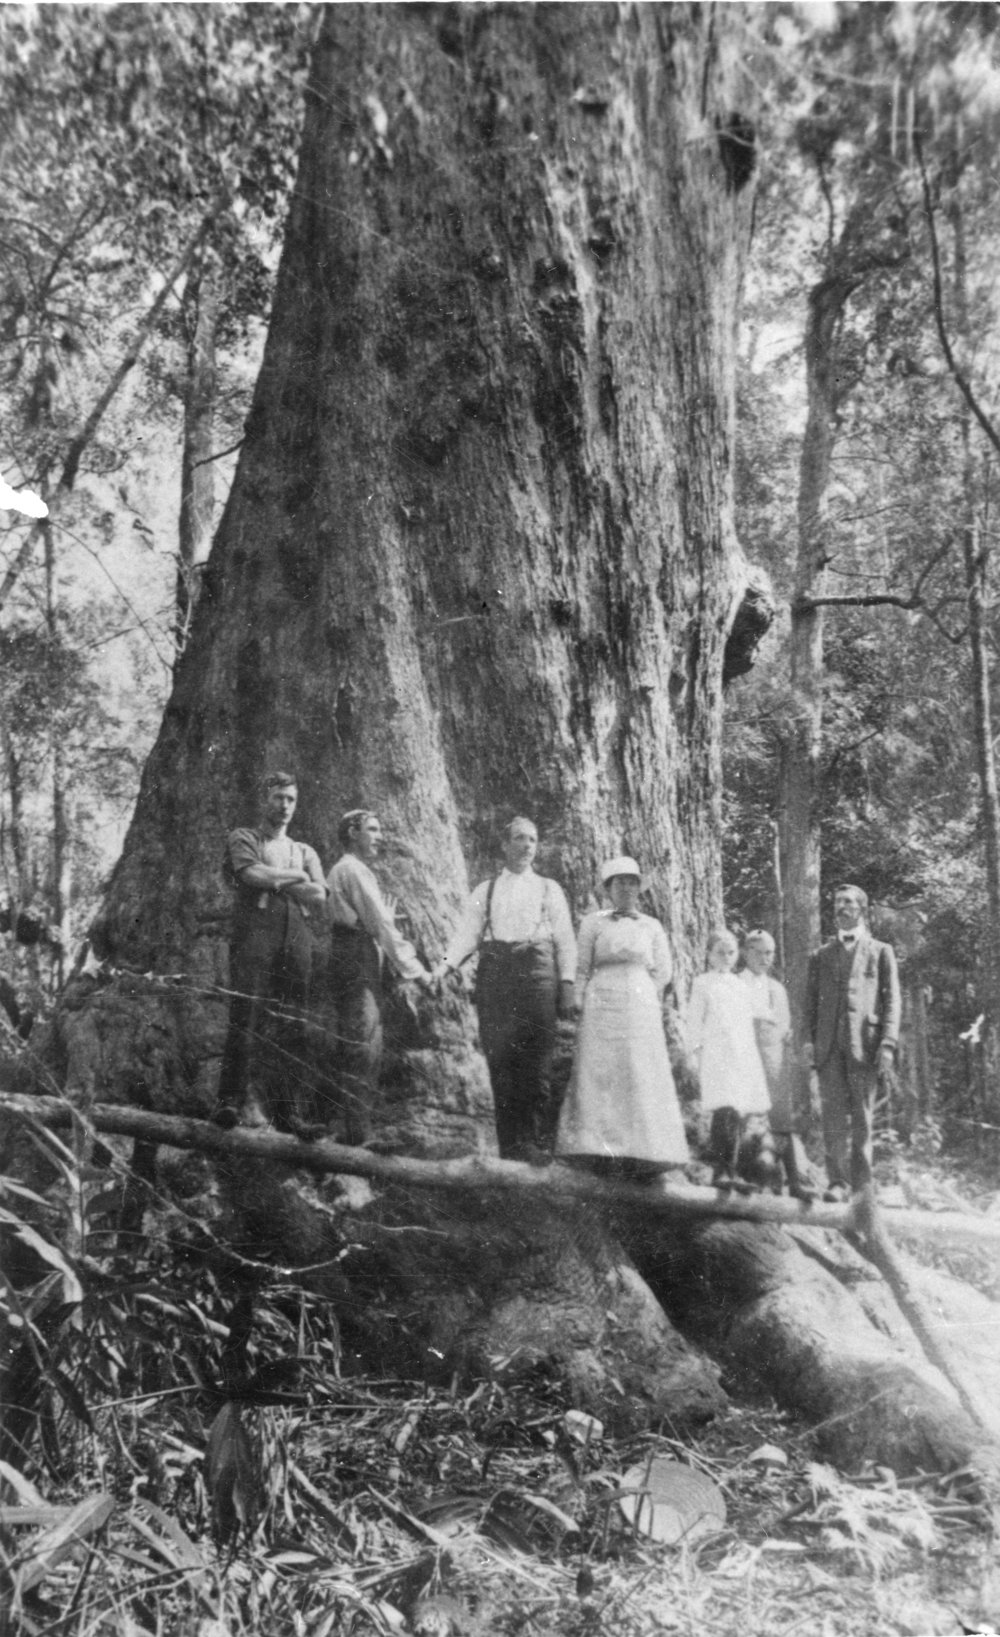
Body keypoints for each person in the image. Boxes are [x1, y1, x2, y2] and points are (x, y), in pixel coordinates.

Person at [438, 816, 576, 1162]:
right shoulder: (486, 890)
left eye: (532, 839)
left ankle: (531, 1142)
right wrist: (442, 968)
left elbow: (565, 940)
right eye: (519, 839)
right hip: (497, 973)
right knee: (501, 1058)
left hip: (538, 972)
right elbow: (465, 936)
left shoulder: (549, 889)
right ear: (504, 845)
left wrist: (568, 983)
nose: (526, 846)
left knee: (537, 1056)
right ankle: (507, 1144)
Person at [555, 857, 689, 1179]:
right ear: (608, 889)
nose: (626, 888)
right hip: (602, 998)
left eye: (632, 882)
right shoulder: (593, 923)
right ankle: (596, 1149)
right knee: (601, 1067)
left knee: (639, 1068)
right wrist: (580, 996)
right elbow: (583, 966)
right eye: (619, 883)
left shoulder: (651, 925)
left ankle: (644, 1151)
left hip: (640, 1000)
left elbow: (664, 970)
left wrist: (645, 991)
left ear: (639, 888)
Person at [215, 771, 328, 1135]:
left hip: (296, 936)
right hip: (255, 934)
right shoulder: (244, 837)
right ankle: (230, 1102)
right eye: (278, 797)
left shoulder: (304, 850)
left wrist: (283, 877)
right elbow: (252, 876)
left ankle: (288, 1112)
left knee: (294, 1021)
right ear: (264, 800)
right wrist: (295, 877)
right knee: (246, 1013)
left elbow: (320, 894)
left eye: (290, 800)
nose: (284, 806)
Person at [322, 810, 433, 1145]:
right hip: (354, 957)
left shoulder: (354, 870)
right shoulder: (352, 869)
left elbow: (374, 921)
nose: (379, 836)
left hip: (359, 954)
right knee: (362, 1041)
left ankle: (356, 1126)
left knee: (367, 1038)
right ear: (353, 833)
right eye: (372, 829)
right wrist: (417, 972)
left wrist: (379, 918)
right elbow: (381, 927)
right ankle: (357, 1132)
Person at [804, 883, 901, 1201]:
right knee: (832, 1118)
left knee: (862, 1118)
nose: (841, 907)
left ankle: (862, 1186)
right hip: (829, 1047)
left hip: (865, 1047)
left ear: (861, 908)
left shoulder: (880, 951)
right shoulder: (820, 955)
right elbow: (810, 1005)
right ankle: (837, 1182)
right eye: (836, 902)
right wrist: (809, 1042)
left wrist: (887, 1042)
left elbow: (892, 1001)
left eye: (848, 902)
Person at [686, 928, 772, 1188]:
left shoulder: (740, 984)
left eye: (730, 952)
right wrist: (695, 1052)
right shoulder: (703, 983)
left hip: (740, 1054)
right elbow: (694, 1023)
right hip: (716, 1055)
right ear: (709, 954)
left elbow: (758, 1014)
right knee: (724, 1111)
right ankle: (721, 1169)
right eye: (720, 952)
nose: (725, 957)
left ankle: (736, 1171)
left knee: (740, 1112)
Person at [740, 930, 816, 1200]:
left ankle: (795, 1179)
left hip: (774, 1059)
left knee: (781, 1118)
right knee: (746, 1116)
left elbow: (784, 1027)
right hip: (744, 1055)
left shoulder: (777, 989)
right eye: (758, 952)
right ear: (745, 952)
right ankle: (749, 1176)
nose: (764, 958)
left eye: (769, 953)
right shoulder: (736, 983)